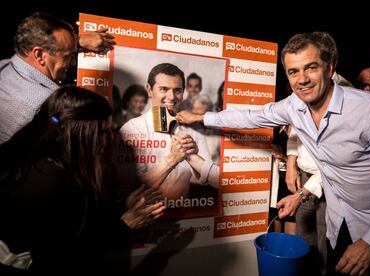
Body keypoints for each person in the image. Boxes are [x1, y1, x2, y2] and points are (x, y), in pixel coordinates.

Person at [176, 32, 370, 275]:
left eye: (310, 68)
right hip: (340, 226)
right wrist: (199, 117)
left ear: (329, 67)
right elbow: (250, 116)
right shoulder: (294, 106)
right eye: (293, 72)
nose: (302, 80)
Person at [0, 86, 165, 273]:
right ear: (80, 133)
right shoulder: (48, 180)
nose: (109, 138)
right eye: (102, 131)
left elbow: (75, 222)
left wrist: (122, 207)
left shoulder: (50, 161)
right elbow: (65, 259)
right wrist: (124, 225)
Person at [0, 12, 116, 145]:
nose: (72, 63)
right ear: (39, 55)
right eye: (67, 56)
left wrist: (77, 41)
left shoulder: (5, 67)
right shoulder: (47, 105)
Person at [116, 63, 218, 204]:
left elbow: (209, 181)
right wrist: (172, 158)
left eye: (177, 90)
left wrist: (193, 159)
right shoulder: (131, 129)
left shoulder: (193, 134)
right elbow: (128, 187)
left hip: (183, 217)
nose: (171, 96)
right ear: (149, 90)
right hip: (145, 221)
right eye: (164, 89)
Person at [285, 128, 327, 275]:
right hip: (304, 175)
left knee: (325, 236)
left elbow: (332, 167)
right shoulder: (299, 106)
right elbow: (294, 135)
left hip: (328, 180)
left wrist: (300, 195)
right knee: (303, 232)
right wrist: (291, 165)